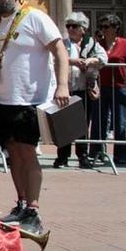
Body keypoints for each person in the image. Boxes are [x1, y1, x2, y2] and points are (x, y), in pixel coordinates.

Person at [0, 0, 68, 236]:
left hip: (29, 100)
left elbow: (59, 50)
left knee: (27, 151)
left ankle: (33, 208)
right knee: (12, 153)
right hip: (2, 100)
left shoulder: (35, 18)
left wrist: (63, 84)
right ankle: (21, 202)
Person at [54, 12, 108, 169]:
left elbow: (103, 58)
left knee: (82, 124)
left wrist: (90, 60)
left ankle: (82, 155)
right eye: (68, 26)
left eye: (74, 26)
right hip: (66, 88)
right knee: (63, 123)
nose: (70, 29)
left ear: (83, 29)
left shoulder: (92, 44)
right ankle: (62, 156)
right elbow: (56, 58)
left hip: (83, 88)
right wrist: (73, 61)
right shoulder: (63, 44)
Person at [95, 14, 126, 167]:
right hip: (101, 86)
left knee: (120, 122)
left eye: (107, 27)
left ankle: (121, 154)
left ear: (115, 27)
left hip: (120, 87)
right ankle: (97, 152)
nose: (103, 30)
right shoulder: (97, 44)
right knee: (100, 120)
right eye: (102, 27)